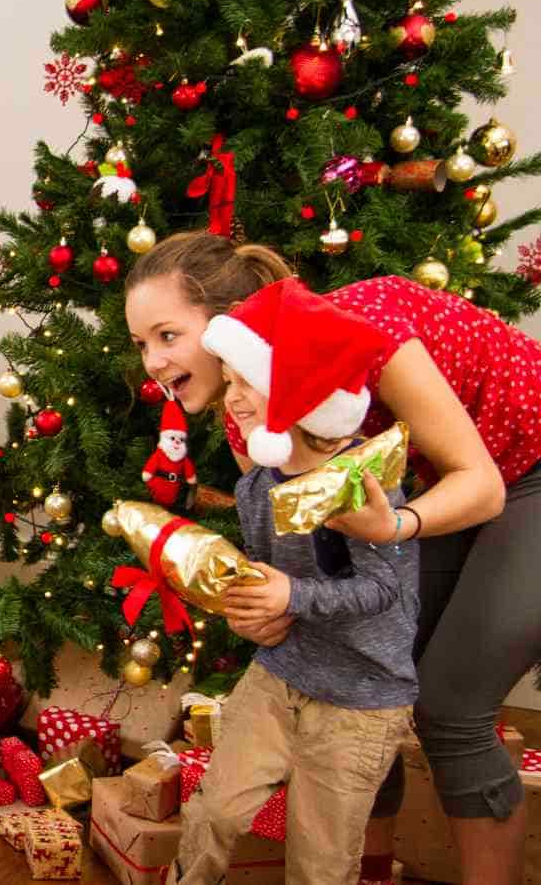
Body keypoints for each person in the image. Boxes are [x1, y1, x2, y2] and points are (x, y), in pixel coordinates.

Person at [126, 230, 541, 885]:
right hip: (434, 487)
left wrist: (394, 525)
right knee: (363, 675)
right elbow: (306, 563)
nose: (152, 361)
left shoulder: (366, 330)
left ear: (232, 322)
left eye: (167, 335)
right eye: (140, 343)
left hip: (518, 471)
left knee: (450, 706)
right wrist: (267, 609)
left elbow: (481, 486)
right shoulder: (247, 418)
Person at [165, 277, 418, 884]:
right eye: (228, 382)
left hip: (361, 698)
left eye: (245, 382)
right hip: (281, 675)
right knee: (214, 811)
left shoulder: (363, 480)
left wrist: (293, 595)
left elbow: (384, 589)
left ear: (297, 387)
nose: (231, 398)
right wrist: (253, 608)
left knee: (321, 858)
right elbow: (266, 577)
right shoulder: (256, 486)